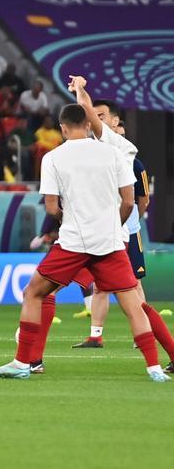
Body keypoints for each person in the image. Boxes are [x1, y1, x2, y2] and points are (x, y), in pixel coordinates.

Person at [0, 101, 168, 383]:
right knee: (133, 304)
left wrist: (68, 220)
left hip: (72, 242)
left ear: (62, 128)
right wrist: (113, 225)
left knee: (34, 293)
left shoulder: (53, 158)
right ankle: (153, 367)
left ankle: (23, 362)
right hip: (110, 241)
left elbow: (50, 207)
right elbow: (129, 202)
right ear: (88, 125)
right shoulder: (115, 154)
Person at [67, 89, 174, 370]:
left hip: (118, 234)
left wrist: (124, 222)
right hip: (100, 233)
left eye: (101, 117)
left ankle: (153, 345)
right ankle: (96, 335)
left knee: (132, 291)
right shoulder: (94, 153)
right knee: (104, 289)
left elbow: (137, 199)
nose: (94, 121)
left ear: (115, 123)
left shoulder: (125, 154)